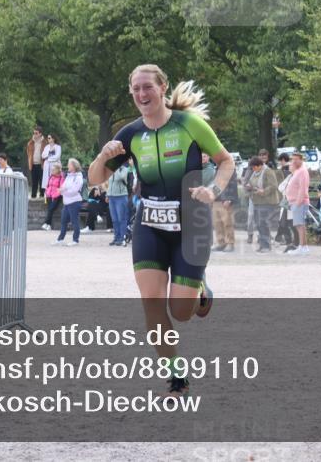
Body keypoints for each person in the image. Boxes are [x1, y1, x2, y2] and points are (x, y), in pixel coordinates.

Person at [86, 64, 235, 400]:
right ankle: (176, 376)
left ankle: (199, 292)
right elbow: (95, 178)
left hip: (192, 224)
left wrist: (214, 189)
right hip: (150, 224)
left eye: (148, 87)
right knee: (151, 303)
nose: (142, 94)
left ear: (163, 87)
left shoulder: (190, 124)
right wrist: (102, 156)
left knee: (180, 313)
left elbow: (225, 161)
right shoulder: (130, 134)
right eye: (136, 88)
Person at [246, 156, 280, 253]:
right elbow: (252, 183)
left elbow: (274, 186)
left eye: (254, 167)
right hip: (257, 201)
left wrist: (264, 191)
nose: (253, 169)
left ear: (259, 165)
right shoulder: (255, 173)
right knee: (259, 224)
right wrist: (249, 186)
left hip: (267, 202)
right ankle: (262, 244)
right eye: (252, 167)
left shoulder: (268, 171)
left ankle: (266, 246)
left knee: (263, 223)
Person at [54, 158, 85, 246]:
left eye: (69, 164)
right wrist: (63, 190)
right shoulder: (69, 176)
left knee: (74, 221)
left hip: (74, 202)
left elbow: (74, 190)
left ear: (74, 166)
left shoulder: (78, 177)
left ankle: (75, 240)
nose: (68, 166)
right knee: (63, 221)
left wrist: (63, 191)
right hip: (67, 202)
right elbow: (64, 186)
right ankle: (60, 239)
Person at [285, 152, 311, 255]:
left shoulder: (302, 171)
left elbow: (302, 188)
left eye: (296, 159)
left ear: (301, 160)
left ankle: (302, 247)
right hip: (294, 202)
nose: (294, 161)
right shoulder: (298, 171)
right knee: (299, 225)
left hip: (299, 202)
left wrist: (298, 203)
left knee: (300, 225)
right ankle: (303, 247)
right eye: (293, 159)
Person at [107, 162, 133, 247]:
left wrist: (116, 169)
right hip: (111, 197)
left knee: (121, 219)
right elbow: (109, 183)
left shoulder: (125, 169)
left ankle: (122, 238)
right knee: (114, 219)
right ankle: (116, 237)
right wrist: (108, 195)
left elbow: (120, 177)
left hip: (121, 196)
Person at [42, 163, 65, 230]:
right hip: (49, 194)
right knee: (50, 209)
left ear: (57, 170)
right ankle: (48, 225)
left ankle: (47, 223)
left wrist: (57, 193)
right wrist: (46, 192)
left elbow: (61, 187)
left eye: (53, 170)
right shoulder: (51, 176)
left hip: (57, 195)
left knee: (51, 209)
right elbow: (48, 185)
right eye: (51, 169)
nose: (51, 171)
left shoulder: (61, 177)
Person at [26, 126, 46, 199]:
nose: (35, 134)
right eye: (34, 133)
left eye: (36, 133)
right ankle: (33, 196)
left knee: (41, 181)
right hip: (33, 164)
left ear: (40, 134)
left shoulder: (45, 142)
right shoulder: (30, 143)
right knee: (34, 181)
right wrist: (30, 162)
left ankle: (41, 196)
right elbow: (28, 153)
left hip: (42, 164)